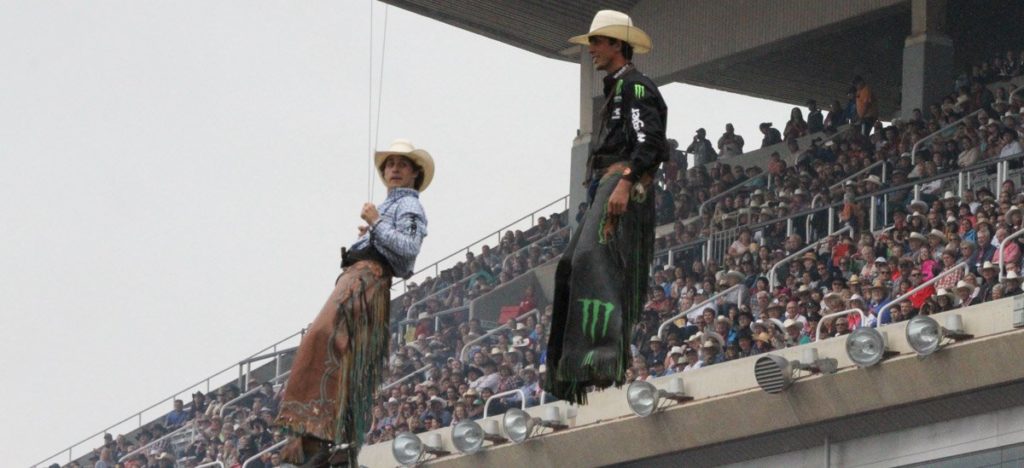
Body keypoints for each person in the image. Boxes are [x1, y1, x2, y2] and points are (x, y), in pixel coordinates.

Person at [275, 139, 432, 467]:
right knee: (344, 355)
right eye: (390, 164)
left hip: (366, 280)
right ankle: (335, 440)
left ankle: (317, 435)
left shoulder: (409, 206)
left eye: (403, 165)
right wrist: (374, 230)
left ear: (415, 174)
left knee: (323, 337)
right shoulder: (393, 207)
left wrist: (376, 224)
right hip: (359, 278)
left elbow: (407, 253)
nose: (394, 170)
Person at [547, 9, 668, 405]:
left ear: (617, 44)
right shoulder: (617, 89)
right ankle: (571, 366)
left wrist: (627, 180)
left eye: (597, 42)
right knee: (569, 266)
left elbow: (650, 143)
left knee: (587, 261)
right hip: (604, 182)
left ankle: (600, 357)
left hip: (619, 180)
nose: (592, 50)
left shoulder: (635, 87)